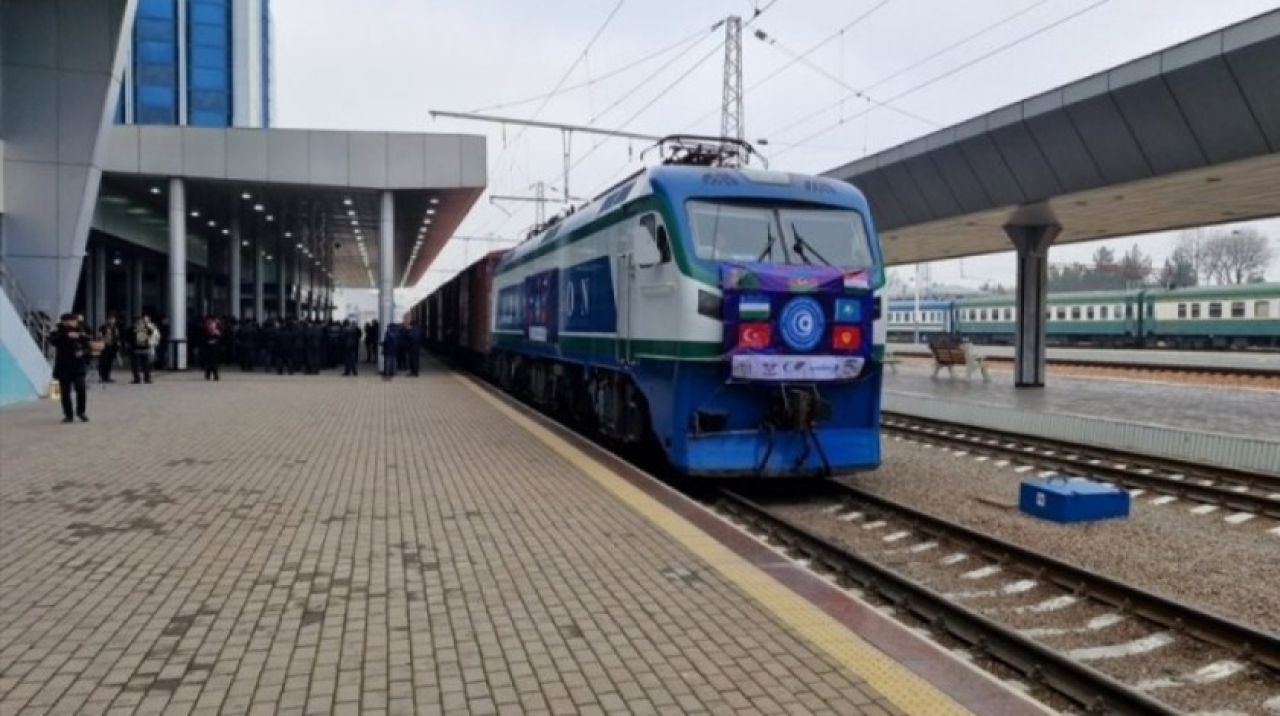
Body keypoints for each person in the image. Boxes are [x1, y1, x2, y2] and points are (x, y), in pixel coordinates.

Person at [48, 313, 90, 423]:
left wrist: (83, 352)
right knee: (65, 393)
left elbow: (88, 346)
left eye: (74, 321)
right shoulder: (58, 332)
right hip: (63, 367)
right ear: (64, 322)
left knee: (81, 389)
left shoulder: (81, 331)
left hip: (78, 366)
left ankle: (81, 412)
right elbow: (52, 340)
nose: (74, 323)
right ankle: (68, 415)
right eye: (71, 321)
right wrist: (66, 335)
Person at [97, 314, 120, 383]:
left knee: (109, 363)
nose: (112, 321)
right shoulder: (103, 327)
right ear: (107, 320)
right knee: (103, 362)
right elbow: (100, 336)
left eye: (113, 319)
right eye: (111, 319)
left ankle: (107, 377)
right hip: (104, 347)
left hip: (112, 347)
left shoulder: (115, 328)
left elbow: (117, 337)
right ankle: (102, 377)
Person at [200, 315, 222, 381]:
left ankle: (212, 375)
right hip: (208, 349)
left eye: (213, 324)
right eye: (211, 324)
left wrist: (217, 336)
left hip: (215, 349)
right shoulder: (205, 330)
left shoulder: (217, 332)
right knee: (210, 363)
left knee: (213, 363)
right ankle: (212, 375)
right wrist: (209, 342)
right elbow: (203, 339)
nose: (212, 325)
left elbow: (220, 339)